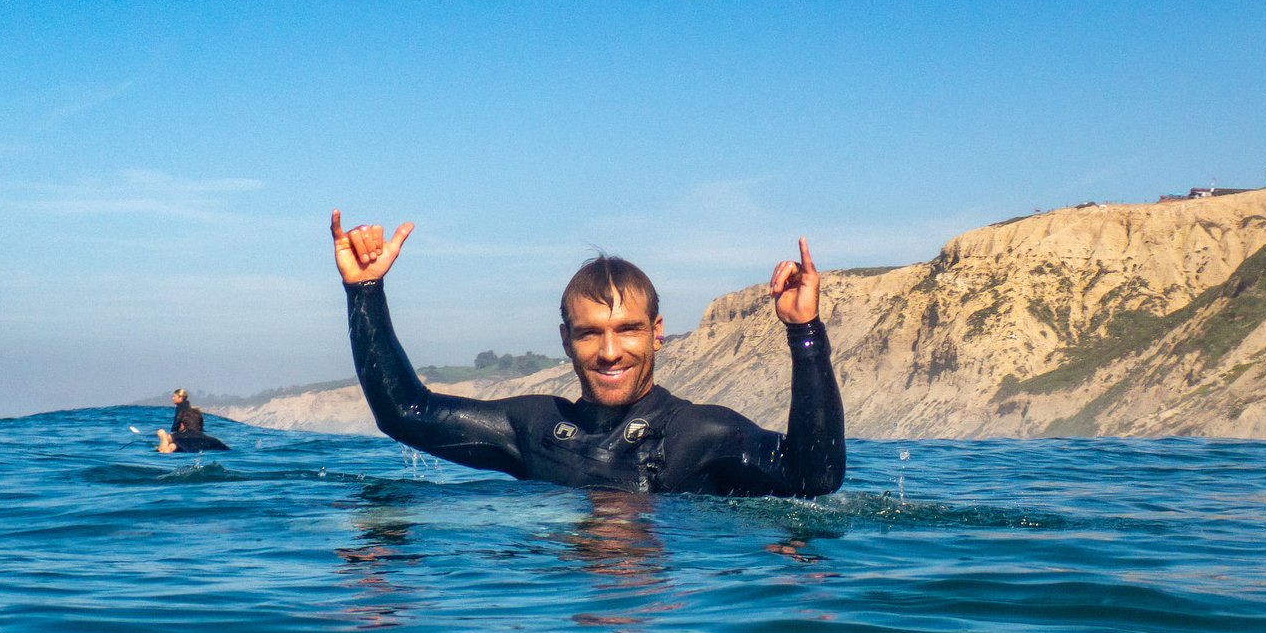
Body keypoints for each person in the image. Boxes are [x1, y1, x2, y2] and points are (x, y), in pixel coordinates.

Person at [330, 211, 845, 496]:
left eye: (627, 330)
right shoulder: (533, 428)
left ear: (656, 332)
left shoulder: (699, 434)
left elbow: (814, 476)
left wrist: (804, 332)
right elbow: (405, 414)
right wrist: (366, 292)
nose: (610, 351)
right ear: (565, 340)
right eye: (590, 333)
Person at [156, 387, 229, 454]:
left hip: (184, 451)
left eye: (174, 396)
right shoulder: (214, 441)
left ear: (182, 424)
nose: (172, 398)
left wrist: (163, 436)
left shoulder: (175, 437)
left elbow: (163, 452)